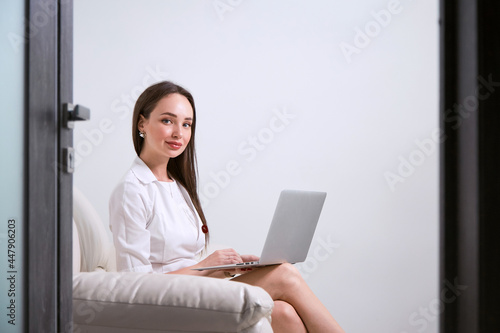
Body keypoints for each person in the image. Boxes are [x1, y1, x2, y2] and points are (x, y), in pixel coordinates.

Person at [109, 81, 345, 333]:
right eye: (168, 121)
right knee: (285, 274)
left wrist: (223, 269)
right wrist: (207, 265)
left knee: (285, 314)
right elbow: (135, 287)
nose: (179, 132)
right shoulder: (132, 190)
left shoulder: (177, 186)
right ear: (142, 123)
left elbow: (183, 262)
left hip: (196, 292)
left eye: (187, 124)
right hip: (166, 304)